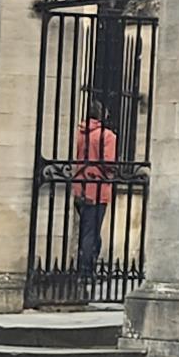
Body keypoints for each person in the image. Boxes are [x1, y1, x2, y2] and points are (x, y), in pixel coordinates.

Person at [70, 103, 120, 284]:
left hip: (78, 185)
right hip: (98, 188)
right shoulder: (107, 136)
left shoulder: (77, 133)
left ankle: (84, 266)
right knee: (92, 231)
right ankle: (86, 271)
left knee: (86, 228)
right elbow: (109, 163)